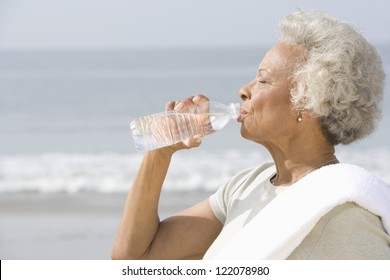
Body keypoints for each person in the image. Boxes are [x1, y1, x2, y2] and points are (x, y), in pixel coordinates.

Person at [112, 11, 390, 260]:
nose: (244, 90)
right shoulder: (246, 186)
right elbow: (135, 258)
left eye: (263, 80)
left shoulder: (343, 215)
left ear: (308, 103)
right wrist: (160, 151)